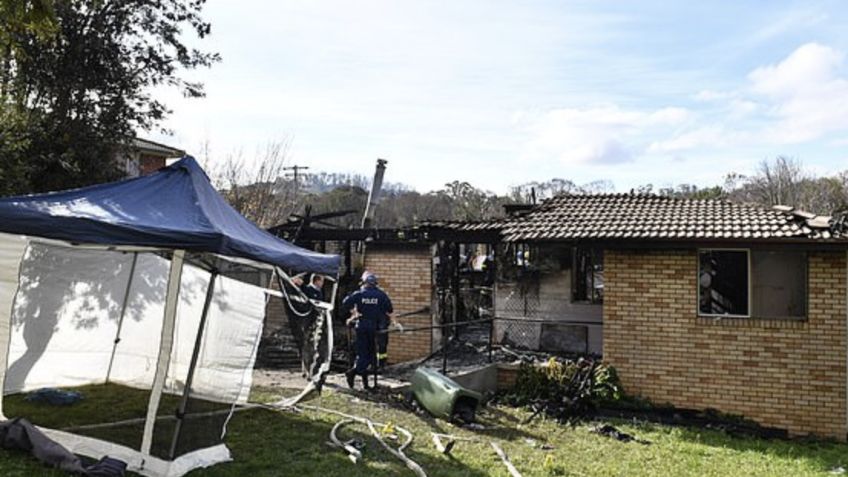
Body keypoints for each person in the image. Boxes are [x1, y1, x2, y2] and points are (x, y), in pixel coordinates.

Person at [341, 271, 393, 389]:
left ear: (364, 282)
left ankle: (363, 381)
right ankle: (353, 373)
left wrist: (354, 312)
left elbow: (345, 303)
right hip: (373, 328)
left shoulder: (359, 294)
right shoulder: (381, 295)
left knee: (363, 354)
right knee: (369, 356)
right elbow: (389, 308)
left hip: (361, 326)